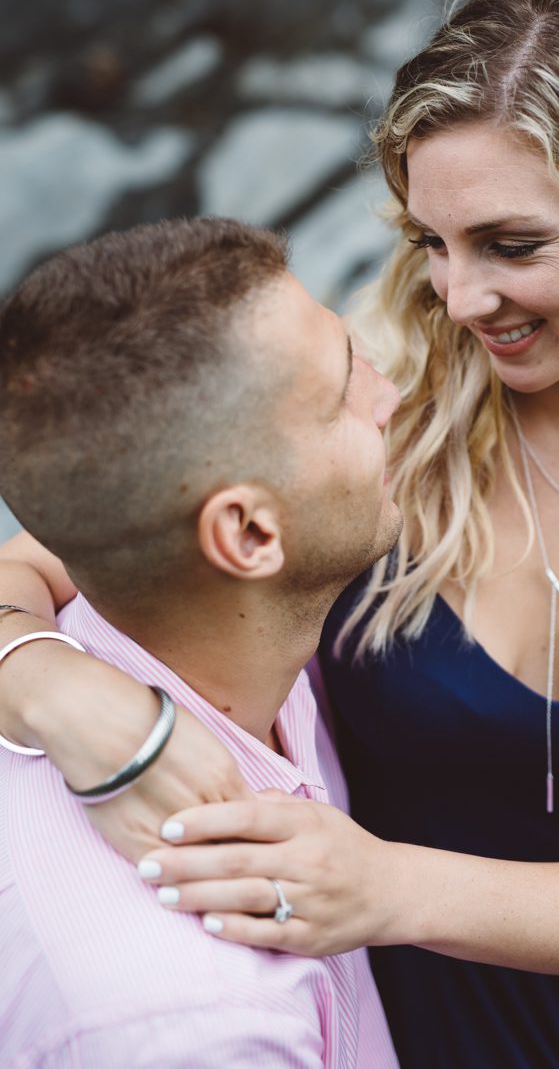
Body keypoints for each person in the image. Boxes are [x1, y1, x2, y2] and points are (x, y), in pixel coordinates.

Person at [2, 0, 559, 1068]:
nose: (460, 295)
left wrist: (381, 884)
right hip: (423, 1023)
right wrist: (57, 687)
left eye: (512, 244)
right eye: (429, 241)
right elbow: (85, 520)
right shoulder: (371, 390)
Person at [0, 217, 401, 1068]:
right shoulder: (192, 1022)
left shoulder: (187, 615)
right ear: (251, 533)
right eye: (343, 391)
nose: (391, 392)